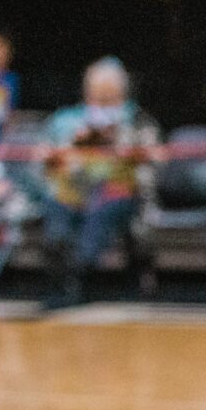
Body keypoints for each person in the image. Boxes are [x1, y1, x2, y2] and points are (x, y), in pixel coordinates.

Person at [41, 57, 160, 305]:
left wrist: (119, 147)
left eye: (109, 90)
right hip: (73, 190)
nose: (103, 95)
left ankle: (79, 276)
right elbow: (43, 158)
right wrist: (72, 148)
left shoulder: (137, 121)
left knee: (101, 211)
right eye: (97, 89)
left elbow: (156, 160)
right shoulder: (67, 120)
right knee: (57, 207)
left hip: (120, 192)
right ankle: (59, 281)